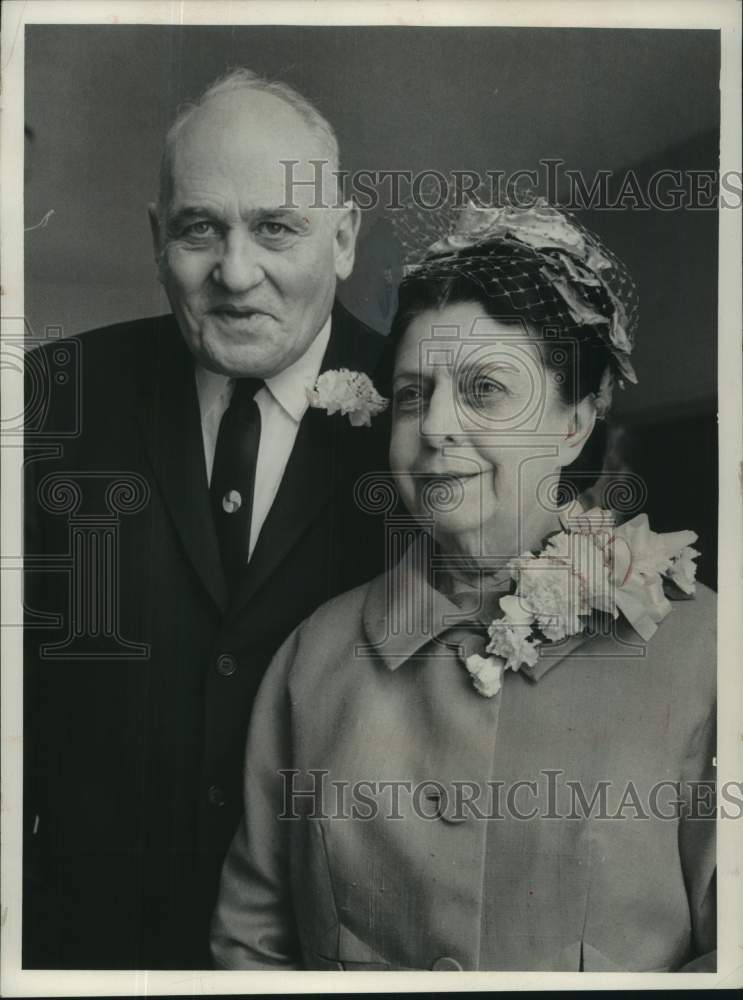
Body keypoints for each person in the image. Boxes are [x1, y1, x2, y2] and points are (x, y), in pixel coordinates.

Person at [211, 200, 716, 972]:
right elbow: (251, 945)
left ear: (575, 420)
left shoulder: (706, 655)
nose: (436, 425)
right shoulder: (312, 659)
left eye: (484, 390)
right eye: (413, 395)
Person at [23, 68, 386, 969]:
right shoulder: (47, 400)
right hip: (82, 951)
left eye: (275, 228)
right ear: (157, 239)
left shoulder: (427, 421)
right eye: (199, 230)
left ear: (342, 241)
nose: (234, 273)